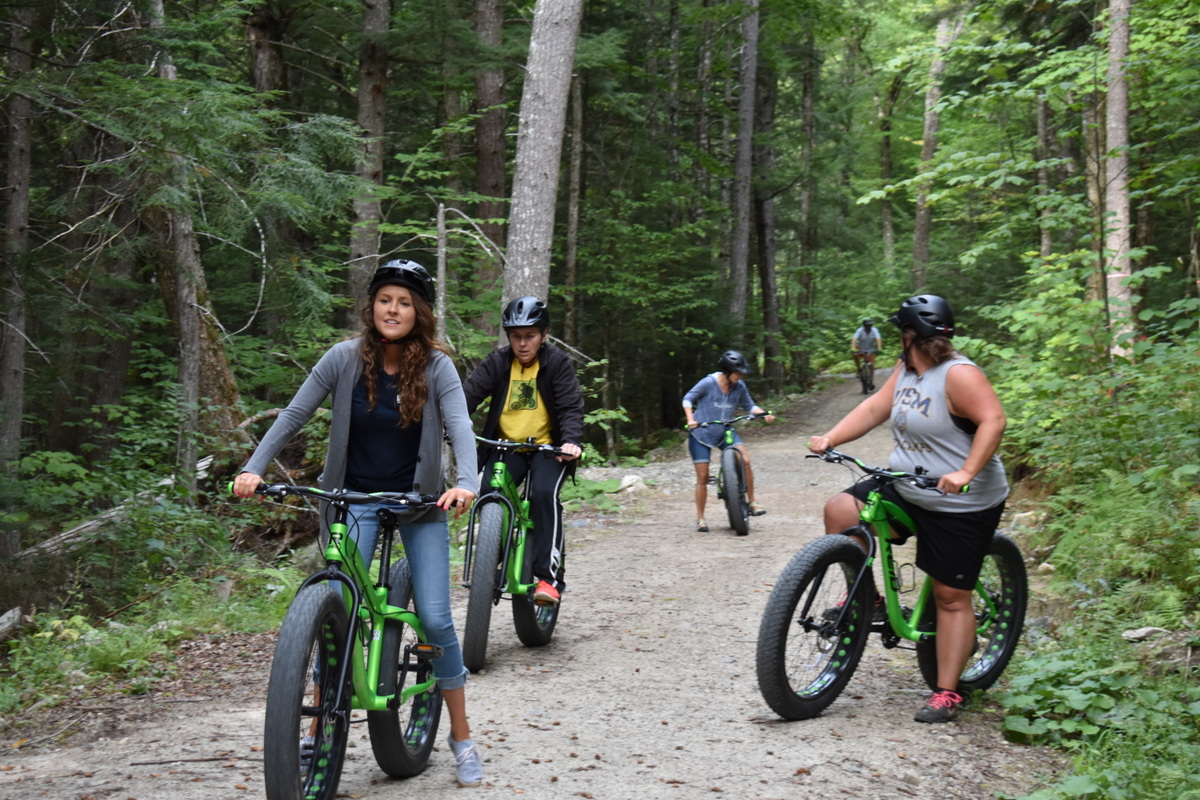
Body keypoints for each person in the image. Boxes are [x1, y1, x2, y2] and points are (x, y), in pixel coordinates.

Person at [232, 259, 484, 786]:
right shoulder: (343, 358)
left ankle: (461, 736)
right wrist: (254, 468)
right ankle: (313, 732)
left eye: (405, 302)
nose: (393, 310)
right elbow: (292, 415)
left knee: (436, 620)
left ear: (420, 313)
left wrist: (466, 483)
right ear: (371, 305)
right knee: (336, 610)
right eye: (385, 299)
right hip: (352, 501)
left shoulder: (437, 368)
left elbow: (460, 426)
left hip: (419, 505)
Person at [807, 295, 1008, 724]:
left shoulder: (959, 375)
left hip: (961, 503)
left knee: (950, 597)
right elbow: (875, 407)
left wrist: (966, 471)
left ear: (909, 335)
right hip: (909, 485)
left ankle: (948, 692)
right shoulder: (907, 369)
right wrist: (832, 437)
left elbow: (993, 420)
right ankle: (868, 600)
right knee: (842, 510)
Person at [462, 296, 584, 606]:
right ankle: (491, 562)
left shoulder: (556, 363)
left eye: (529, 336)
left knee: (543, 494)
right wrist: (452, 426)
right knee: (490, 490)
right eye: (515, 336)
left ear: (543, 335)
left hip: (548, 448)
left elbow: (570, 407)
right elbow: (466, 396)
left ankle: (549, 579)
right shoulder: (499, 362)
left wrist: (569, 441)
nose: (522, 343)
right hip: (507, 447)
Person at [682, 350, 774, 532]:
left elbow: (749, 406)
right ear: (727, 371)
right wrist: (690, 419)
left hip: (725, 430)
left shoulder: (739, 386)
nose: (740, 376)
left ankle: (752, 502)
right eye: (737, 372)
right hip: (701, 432)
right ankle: (701, 519)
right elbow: (688, 398)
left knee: (745, 460)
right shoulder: (709, 382)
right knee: (702, 477)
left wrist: (762, 414)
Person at [852, 317, 883, 391]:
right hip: (861, 348)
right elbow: (854, 339)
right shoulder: (859, 330)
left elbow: (878, 339)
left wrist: (879, 347)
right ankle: (859, 368)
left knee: (871, 365)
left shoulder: (874, 330)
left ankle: (871, 381)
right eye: (867, 325)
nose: (868, 327)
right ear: (864, 325)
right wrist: (853, 347)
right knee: (855, 355)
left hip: (870, 349)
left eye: (870, 325)